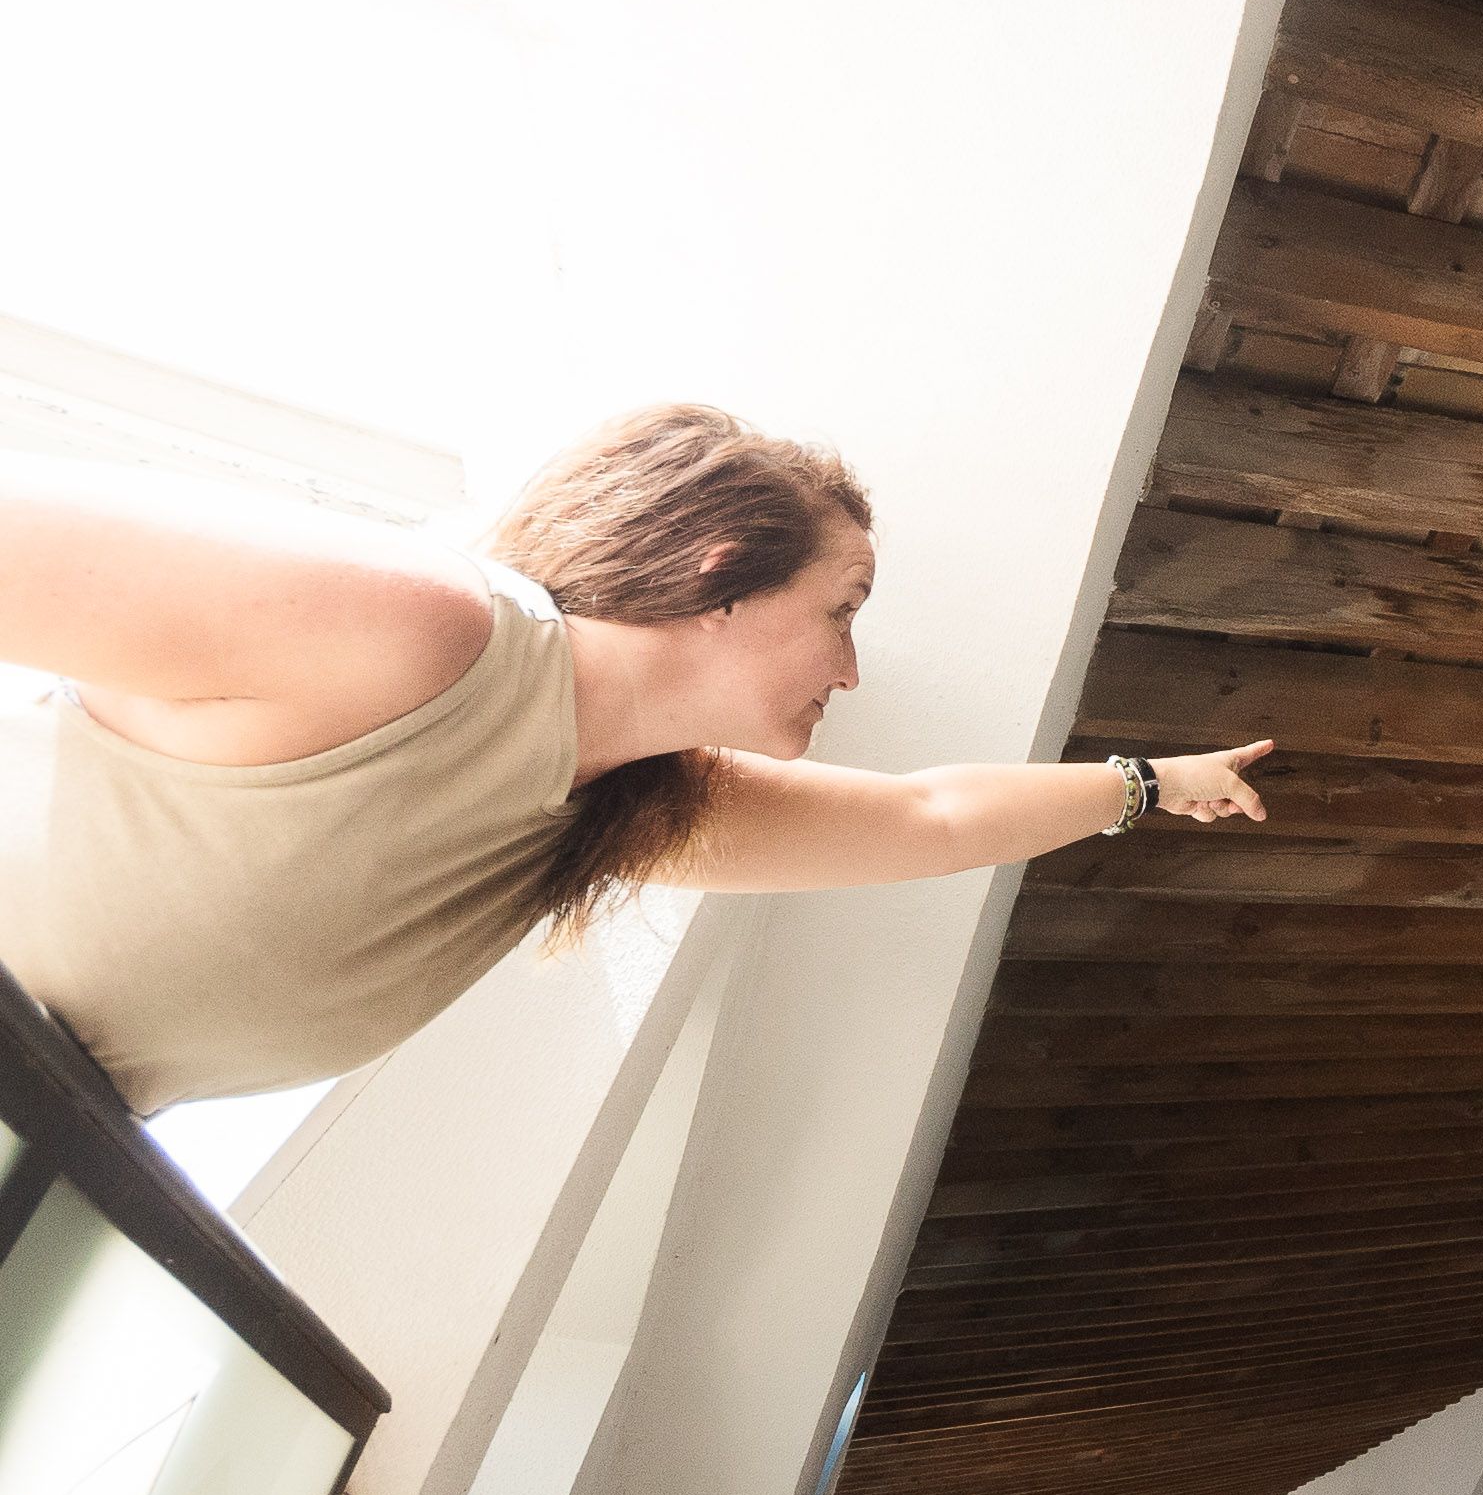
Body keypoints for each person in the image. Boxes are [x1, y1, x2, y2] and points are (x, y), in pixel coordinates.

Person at [0, 403, 1272, 1114]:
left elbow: (929, 819)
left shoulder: (616, 809)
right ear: (721, 578)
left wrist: (1156, 785)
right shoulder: (432, 631)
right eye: (843, 608)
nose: (850, 671)